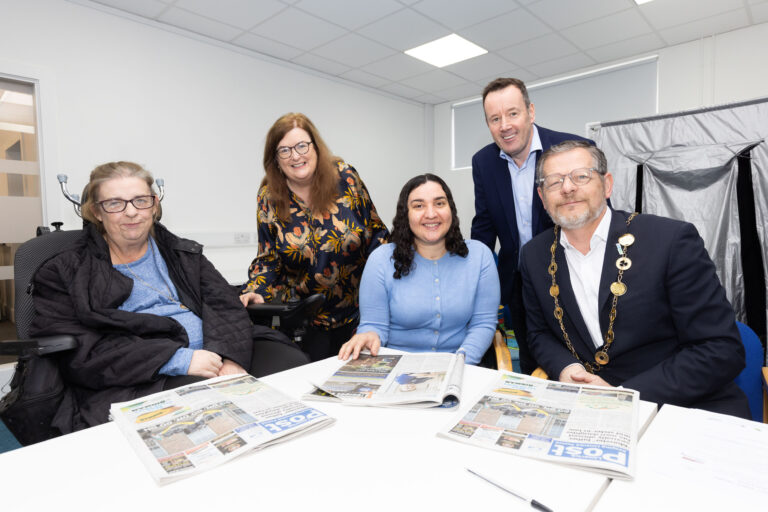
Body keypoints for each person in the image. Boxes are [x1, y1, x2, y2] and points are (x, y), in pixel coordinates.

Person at [29, 162, 309, 433]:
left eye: (141, 200)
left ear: (154, 205)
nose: (131, 212)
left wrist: (230, 359)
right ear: (97, 212)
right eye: (115, 203)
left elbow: (225, 305)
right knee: (210, 412)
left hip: (216, 352)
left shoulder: (181, 253)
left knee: (292, 366)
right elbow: (82, 351)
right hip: (147, 373)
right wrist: (176, 359)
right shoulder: (65, 271)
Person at [519, 140, 750, 418]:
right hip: (587, 407)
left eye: (581, 176)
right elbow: (539, 333)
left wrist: (624, 397)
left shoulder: (670, 241)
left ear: (607, 185)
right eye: (554, 182)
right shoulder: (534, 255)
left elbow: (720, 350)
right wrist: (569, 369)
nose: (568, 188)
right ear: (542, 197)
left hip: (680, 406)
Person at [240, 113, 389, 361]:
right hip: (303, 322)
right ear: (276, 159)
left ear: (315, 147)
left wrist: (389, 287)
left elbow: (378, 235)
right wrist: (255, 289)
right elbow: (268, 258)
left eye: (301, 146)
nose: (296, 156)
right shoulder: (269, 196)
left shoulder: (346, 177)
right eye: (284, 150)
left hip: (358, 315)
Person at [471, 77, 594, 374]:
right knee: (531, 359)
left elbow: (597, 215)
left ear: (531, 112)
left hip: (572, 275)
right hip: (518, 282)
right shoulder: (484, 162)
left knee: (580, 356)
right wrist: (470, 276)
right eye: (495, 118)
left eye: (513, 113)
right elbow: (484, 226)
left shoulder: (572, 150)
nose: (505, 125)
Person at [339, 174, 500, 365]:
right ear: (405, 215)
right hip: (396, 369)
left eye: (439, 203)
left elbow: (483, 324)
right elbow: (374, 325)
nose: (431, 214)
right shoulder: (381, 260)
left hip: (462, 365)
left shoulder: (480, 256)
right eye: (418, 206)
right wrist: (368, 337)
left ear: (451, 209)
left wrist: (459, 365)